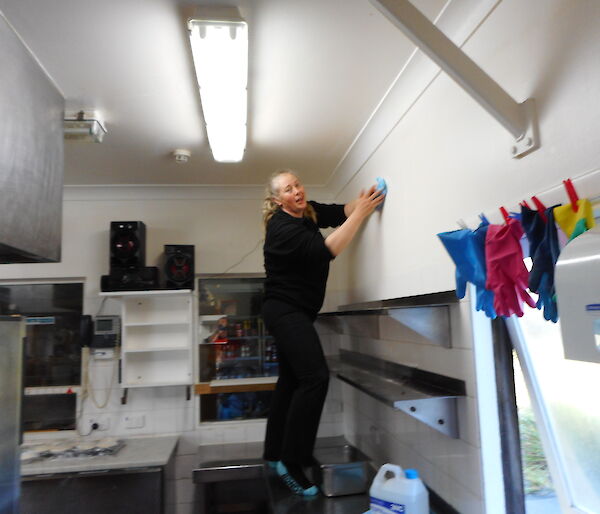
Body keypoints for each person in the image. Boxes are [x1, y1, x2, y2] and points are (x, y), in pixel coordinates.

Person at [261, 169, 385, 496]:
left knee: (291, 381)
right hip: (284, 310)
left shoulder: (307, 212)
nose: (297, 191)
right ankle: (293, 460)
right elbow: (328, 249)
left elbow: (337, 212)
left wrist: (361, 201)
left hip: (295, 311)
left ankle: (274, 455)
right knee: (315, 377)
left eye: (298, 184)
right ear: (277, 200)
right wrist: (360, 215)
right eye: (288, 190)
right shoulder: (281, 227)